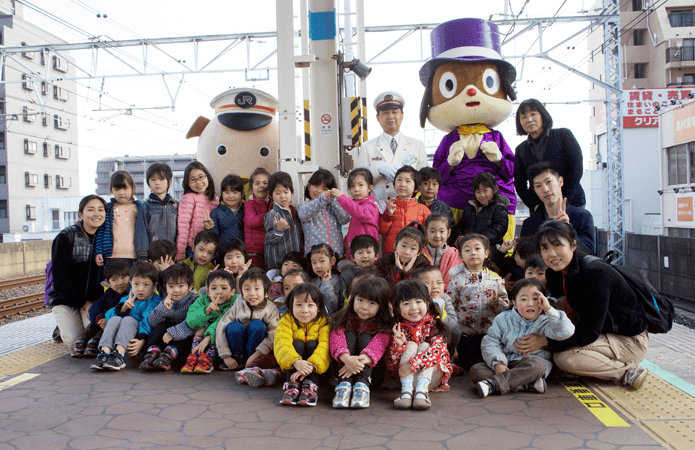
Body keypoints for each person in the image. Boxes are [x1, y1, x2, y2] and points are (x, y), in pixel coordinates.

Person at [522, 221, 650, 390]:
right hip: (601, 333)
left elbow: (590, 332)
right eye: (544, 248)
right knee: (554, 305)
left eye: (557, 245)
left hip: (628, 340)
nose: (551, 254)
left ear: (573, 245)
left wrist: (546, 342)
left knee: (565, 358)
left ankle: (626, 372)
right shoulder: (555, 273)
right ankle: (583, 366)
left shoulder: (595, 274)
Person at [474, 278, 575, 397]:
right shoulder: (503, 319)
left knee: (538, 366)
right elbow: (491, 341)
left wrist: (549, 309)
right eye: (523, 299)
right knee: (476, 370)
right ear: (515, 303)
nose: (530, 303)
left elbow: (566, 331)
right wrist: (498, 363)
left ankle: (494, 384)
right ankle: (526, 384)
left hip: (530, 365)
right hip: (507, 363)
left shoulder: (546, 321)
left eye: (535, 299)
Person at [49, 195, 107, 348]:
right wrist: (84, 303)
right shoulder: (65, 237)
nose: (97, 214)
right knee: (74, 341)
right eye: (91, 209)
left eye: (101, 210)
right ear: (81, 214)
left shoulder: (107, 239)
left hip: (93, 300)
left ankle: (73, 322)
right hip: (65, 299)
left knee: (95, 338)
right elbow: (60, 280)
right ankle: (61, 326)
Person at [446, 234, 509, 370]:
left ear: (486, 253)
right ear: (461, 257)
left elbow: (505, 305)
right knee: (470, 365)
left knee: (488, 361)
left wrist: (496, 303)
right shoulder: (457, 280)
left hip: (490, 333)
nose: (473, 252)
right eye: (467, 250)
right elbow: (449, 305)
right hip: (465, 334)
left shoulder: (495, 279)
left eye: (477, 248)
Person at [387, 280, 452, 410]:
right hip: (405, 378)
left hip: (431, 378)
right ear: (398, 308)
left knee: (424, 346)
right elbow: (391, 365)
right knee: (410, 344)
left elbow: (438, 351)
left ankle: (422, 393)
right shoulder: (397, 327)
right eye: (406, 303)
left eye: (418, 302)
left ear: (427, 303)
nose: (413, 308)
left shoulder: (434, 325)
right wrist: (398, 346)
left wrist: (413, 365)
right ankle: (406, 394)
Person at [330, 277, 392, 409]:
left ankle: (362, 385)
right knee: (350, 335)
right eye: (360, 300)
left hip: (372, 374)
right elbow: (336, 338)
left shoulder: (384, 324)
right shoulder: (344, 318)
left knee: (365, 337)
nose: (364, 307)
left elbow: (379, 344)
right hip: (344, 367)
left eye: (372, 303)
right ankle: (344, 385)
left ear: (381, 306)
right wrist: (347, 359)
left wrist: (357, 362)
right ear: (352, 299)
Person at [514, 99, 586, 213]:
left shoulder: (563, 135)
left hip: (572, 203)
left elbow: (576, 168)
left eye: (533, 114)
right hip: (540, 208)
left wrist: (564, 200)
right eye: (523, 117)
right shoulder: (520, 150)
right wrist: (534, 206)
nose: (529, 120)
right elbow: (519, 183)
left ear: (543, 115)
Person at [356, 91, 428, 204]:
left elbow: (424, 179)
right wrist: (377, 168)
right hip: (377, 209)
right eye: (385, 113)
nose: (390, 116)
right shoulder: (367, 147)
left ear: (402, 115)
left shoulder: (417, 146)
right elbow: (358, 181)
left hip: (408, 209)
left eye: (395, 112)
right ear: (377, 117)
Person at [91, 261, 162, 371]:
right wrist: (123, 307)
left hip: (135, 345)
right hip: (116, 341)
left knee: (129, 319)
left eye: (146, 285)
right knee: (115, 318)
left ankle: (119, 355)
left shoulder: (154, 301)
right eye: (136, 284)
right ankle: (104, 352)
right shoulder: (129, 297)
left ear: (154, 286)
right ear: (131, 284)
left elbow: (147, 321)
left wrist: (142, 341)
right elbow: (109, 317)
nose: (140, 289)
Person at [520, 162, 595, 255]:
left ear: (560, 181)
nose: (545, 189)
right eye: (538, 186)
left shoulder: (582, 217)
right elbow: (526, 259)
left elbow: (589, 253)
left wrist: (567, 228)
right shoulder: (530, 224)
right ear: (535, 191)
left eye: (549, 182)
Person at [216, 268, 280, 377]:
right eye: (247, 289)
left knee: (257, 325)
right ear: (241, 292)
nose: (252, 294)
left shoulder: (271, 309)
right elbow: (221, 326)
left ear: (267, 293)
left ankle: (253, 362)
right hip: (237, 346)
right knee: (233, 326)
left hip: (256, 350)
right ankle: (238, 359)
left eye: (257, 289)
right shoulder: (237, 305)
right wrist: (225, 356)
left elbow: (273, 334)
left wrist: (257, 354)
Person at [275, 283, 331, 407]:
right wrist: (295, 361)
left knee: (312, 344)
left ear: (319, 307)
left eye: (310, 305)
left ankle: (311, 385)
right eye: (299, 305)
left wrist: (310, 367)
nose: (304, 310)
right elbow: (281, 343)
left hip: (317, 368)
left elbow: (325, 346)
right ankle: (292, 385)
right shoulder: (286, 320)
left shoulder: (324, 322)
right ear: (291, 306)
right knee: (297, 343)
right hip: (294, 366)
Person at [140, 264, 199, 371]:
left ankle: (167, 357)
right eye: (171, 286)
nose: (176, 290)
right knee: (160, 326)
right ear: (165, 287)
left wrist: (173, 333)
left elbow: (193, 324)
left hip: (183, 338)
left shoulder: (195, 301)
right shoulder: (166, 301)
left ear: (190, 287)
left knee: (184, 335)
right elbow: (152, 322)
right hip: (166, 338)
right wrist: (163, 308)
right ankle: (152, 353)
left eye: (181, 286)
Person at [71, 260, 131, 357]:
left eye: (123, 277)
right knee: (99, 314)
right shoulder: (108, 294)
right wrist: (101, 319)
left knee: (111, 320)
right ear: (108, 282)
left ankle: (96, 340)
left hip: (118, 325)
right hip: (104, 322)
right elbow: (94, 307)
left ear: (130, 277)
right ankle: (84, 338)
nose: (120, 282)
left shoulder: (130, 294)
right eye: (114, 279)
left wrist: (107, 320)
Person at [180, 270, 236, 374]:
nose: (219, 292)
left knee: (220, 330)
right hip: (205, 332)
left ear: (232, 291)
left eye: (224, 288)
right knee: (200, 327)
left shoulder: (234, 301)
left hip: (221, 336)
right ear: (208, 292)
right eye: (214, 288)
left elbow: (222, 321)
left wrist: (208, 338)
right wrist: (207, 311)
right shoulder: (201, 300)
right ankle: (194, 356)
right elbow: (191, 321)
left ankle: (208, 359)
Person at [298, 169, 350, 258]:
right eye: (316, 186)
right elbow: (303, 215)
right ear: (309, 186)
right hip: (314, 257)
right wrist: (323, 198)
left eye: (324, 189)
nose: (319, 191)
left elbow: (345, 219)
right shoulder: (304, 205)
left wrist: (334, 199)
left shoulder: (332, 206)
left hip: (336, 255)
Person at [379, 166, 431, 254]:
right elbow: (382, 231)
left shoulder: (423, 209)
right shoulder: (389, 206)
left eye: (408, 181)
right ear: (393, 184)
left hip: (413, 254)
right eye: (399, 180)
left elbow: (429, 234)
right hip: (392, 253)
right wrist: (389, 215)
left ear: (417, 188)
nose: (402, 184)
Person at [332, 168, 380, 259]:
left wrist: (342, 198)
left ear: (370, 188)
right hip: (355, 252)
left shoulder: (371, 205)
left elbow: (359, 212)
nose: (356, 189)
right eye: (352, 186)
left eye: (361, 185)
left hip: (366, 254)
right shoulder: (356, 204)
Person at [411, 265, 460, 356]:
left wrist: (441, 313)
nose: (435, 287)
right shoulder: (414, 301)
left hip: (440, 339)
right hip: (420, 339)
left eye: (439, 282)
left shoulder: (445, 298)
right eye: (428, 284)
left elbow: (453, 324)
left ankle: (449, 358)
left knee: (456, 330)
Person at [95, 171, 141, 267]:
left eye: (125, 188)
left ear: (133, 188)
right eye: (117, 189)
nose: (121, 193)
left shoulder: (140, 208)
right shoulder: (108, 209)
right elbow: (100, 231)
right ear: (112, 191)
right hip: (111, 256)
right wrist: (98, 251)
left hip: (134, 257)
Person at [176, 161, 219, 261]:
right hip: (192, 249)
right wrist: (180, 252)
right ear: (188, 183)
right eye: (193, 179)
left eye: (201, 177)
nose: (198, 182)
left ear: (207, 176)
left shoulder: (214, 200)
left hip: (209, 249)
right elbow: (183, 227)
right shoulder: (188, 198)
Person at [135, 162, 178, 261]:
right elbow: (141, 233)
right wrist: (143, 256)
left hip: (173, 256)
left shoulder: (176, 205)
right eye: (153, 179)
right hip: (152, 256)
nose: (157, 183)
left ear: (170, 182)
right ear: (148, 182)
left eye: (161, 179)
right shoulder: (145, 207)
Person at [455, 171, 509, 248]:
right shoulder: (469, 209)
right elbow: (459, 227)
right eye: (478, 192)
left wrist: (478, 240)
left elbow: (499, 229)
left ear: (495, 189)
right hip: (469, 248)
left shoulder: (499, 208)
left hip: (489, 249)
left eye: (485, 190)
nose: (482, 195)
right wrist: (461, 238)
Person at [264, 171, 304, 270]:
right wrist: (278, 229)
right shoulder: (273, 214)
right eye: (278, 193)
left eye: (286, 192)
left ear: (292, 192)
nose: (282, 196)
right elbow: (269, 239)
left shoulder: (295, 211)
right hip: (279, 263)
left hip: (295, 261)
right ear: (270, 194)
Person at [335, 234, 379, 307]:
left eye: (368, 252)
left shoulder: (380, 272)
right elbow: (342, 300)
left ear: (376, 256)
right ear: (352, 258)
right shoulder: (346, 275)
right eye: (360, 252)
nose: (365, 256)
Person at [421, 214, 461, 288]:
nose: (437, 235)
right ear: (426, 233)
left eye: (442, 231)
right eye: (432, 231)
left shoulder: (455, 254)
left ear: (448, 233)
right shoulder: (419, 253)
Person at [204, 174, 246, 245]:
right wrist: (210, 227)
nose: (230, 196)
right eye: (227, 192)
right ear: (222, 194)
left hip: (241, 252)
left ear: (242, 194)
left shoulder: (246, 209)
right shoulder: (216, 212)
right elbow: (214, 236)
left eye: (235, 192)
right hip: (223, 251)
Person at [244, 167, 272, 269]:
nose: (261, 186)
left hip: (270, 252)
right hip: (253, 253)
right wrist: (269, 213)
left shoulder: (272, 204)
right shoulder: (249, 204)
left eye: (265, 183)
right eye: (257, 183)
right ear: (251, 188)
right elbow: (252, 221)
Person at [307, 244, 340, 316]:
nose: (318, 266)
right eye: (314, 262)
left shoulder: (337, 280)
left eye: (322, 261)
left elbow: (334, 306)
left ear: (332, 260)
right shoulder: (312, 281)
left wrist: (326, 284)